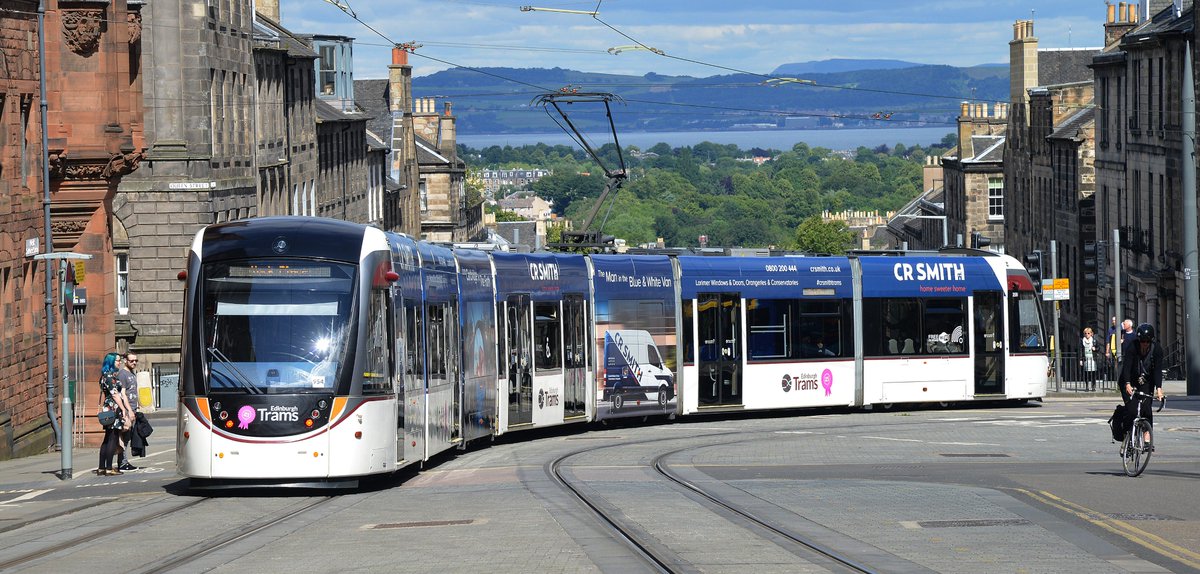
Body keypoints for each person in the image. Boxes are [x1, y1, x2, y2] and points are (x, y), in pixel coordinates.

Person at [1119, 323, 1164, 451]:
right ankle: (1126, 436)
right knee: (1132, 410)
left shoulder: (1157, 350)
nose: (1144, 344)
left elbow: (1157, 371)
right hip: (1128, 381)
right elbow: (1126, 367)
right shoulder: (1132, 347)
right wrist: (1127, 383)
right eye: (1142, 341)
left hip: (1145, 381)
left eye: (1147, 341)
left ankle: (1147, 437)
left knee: (1146, 409)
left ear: (1151, 341)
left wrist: (1159, 389)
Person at [97, 352, 134, 476]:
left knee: (107, 438)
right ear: (111, 362)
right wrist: (123, 409)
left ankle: (102, 467)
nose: (119, 362)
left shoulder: (105, 375)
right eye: (117, 361)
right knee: (112, 437)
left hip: (108, 408)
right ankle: (108, 468)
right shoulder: (109, 377)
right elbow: (115, 394)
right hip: (113, 408)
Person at [117, 353, 140, 471]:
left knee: (127, 437)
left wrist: (137, 405)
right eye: (132, 361)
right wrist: (128, 411)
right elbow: (122, 393)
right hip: (127, 410)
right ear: (125, 361)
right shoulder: (122, 374)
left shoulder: (132, 373)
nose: (134, 363)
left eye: (136, 360)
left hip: (133, 408)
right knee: (124, 437)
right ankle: (122, 463)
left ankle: (123, 461)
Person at [1080, 327, 1098, 391]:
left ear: (1091, 334)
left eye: (1088, 333)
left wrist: (1095, 349)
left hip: (1093, 359)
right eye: (1085, 333)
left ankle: (1093, 387)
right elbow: (1081, 350)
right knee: (1086, 374)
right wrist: (1081, 359)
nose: (1087, 334)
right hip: (1086, 358)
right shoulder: (1082, 341)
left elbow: (1098, 348)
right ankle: (1087, 387)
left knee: (1093, 373)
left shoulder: (1094, 340)